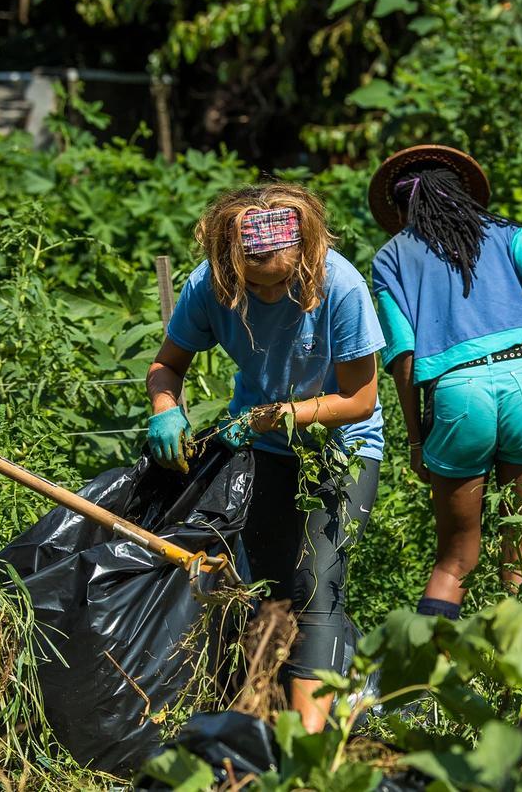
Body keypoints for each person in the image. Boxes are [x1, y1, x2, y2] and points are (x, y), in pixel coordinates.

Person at [144, 184, 384, 733]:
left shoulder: (339, 285)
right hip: (263, 454)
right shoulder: (212, 283)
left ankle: (310, 751)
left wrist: (274, 416)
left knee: (316, 587)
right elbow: (168, 363)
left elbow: (359, 400)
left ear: (302, 252)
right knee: (269, 592)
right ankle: (271, 725)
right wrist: (166, 408)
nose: (265, 291)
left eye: (277, 280)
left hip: (341, 450)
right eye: (253, 282)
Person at [367, 145, 522, 620]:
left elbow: (405, 359)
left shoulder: (390, 259)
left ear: (400, 210)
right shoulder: (505, 232)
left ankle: (427, 684)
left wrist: (416, 441)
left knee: (455, 561)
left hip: (458, 394)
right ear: (461, 196)